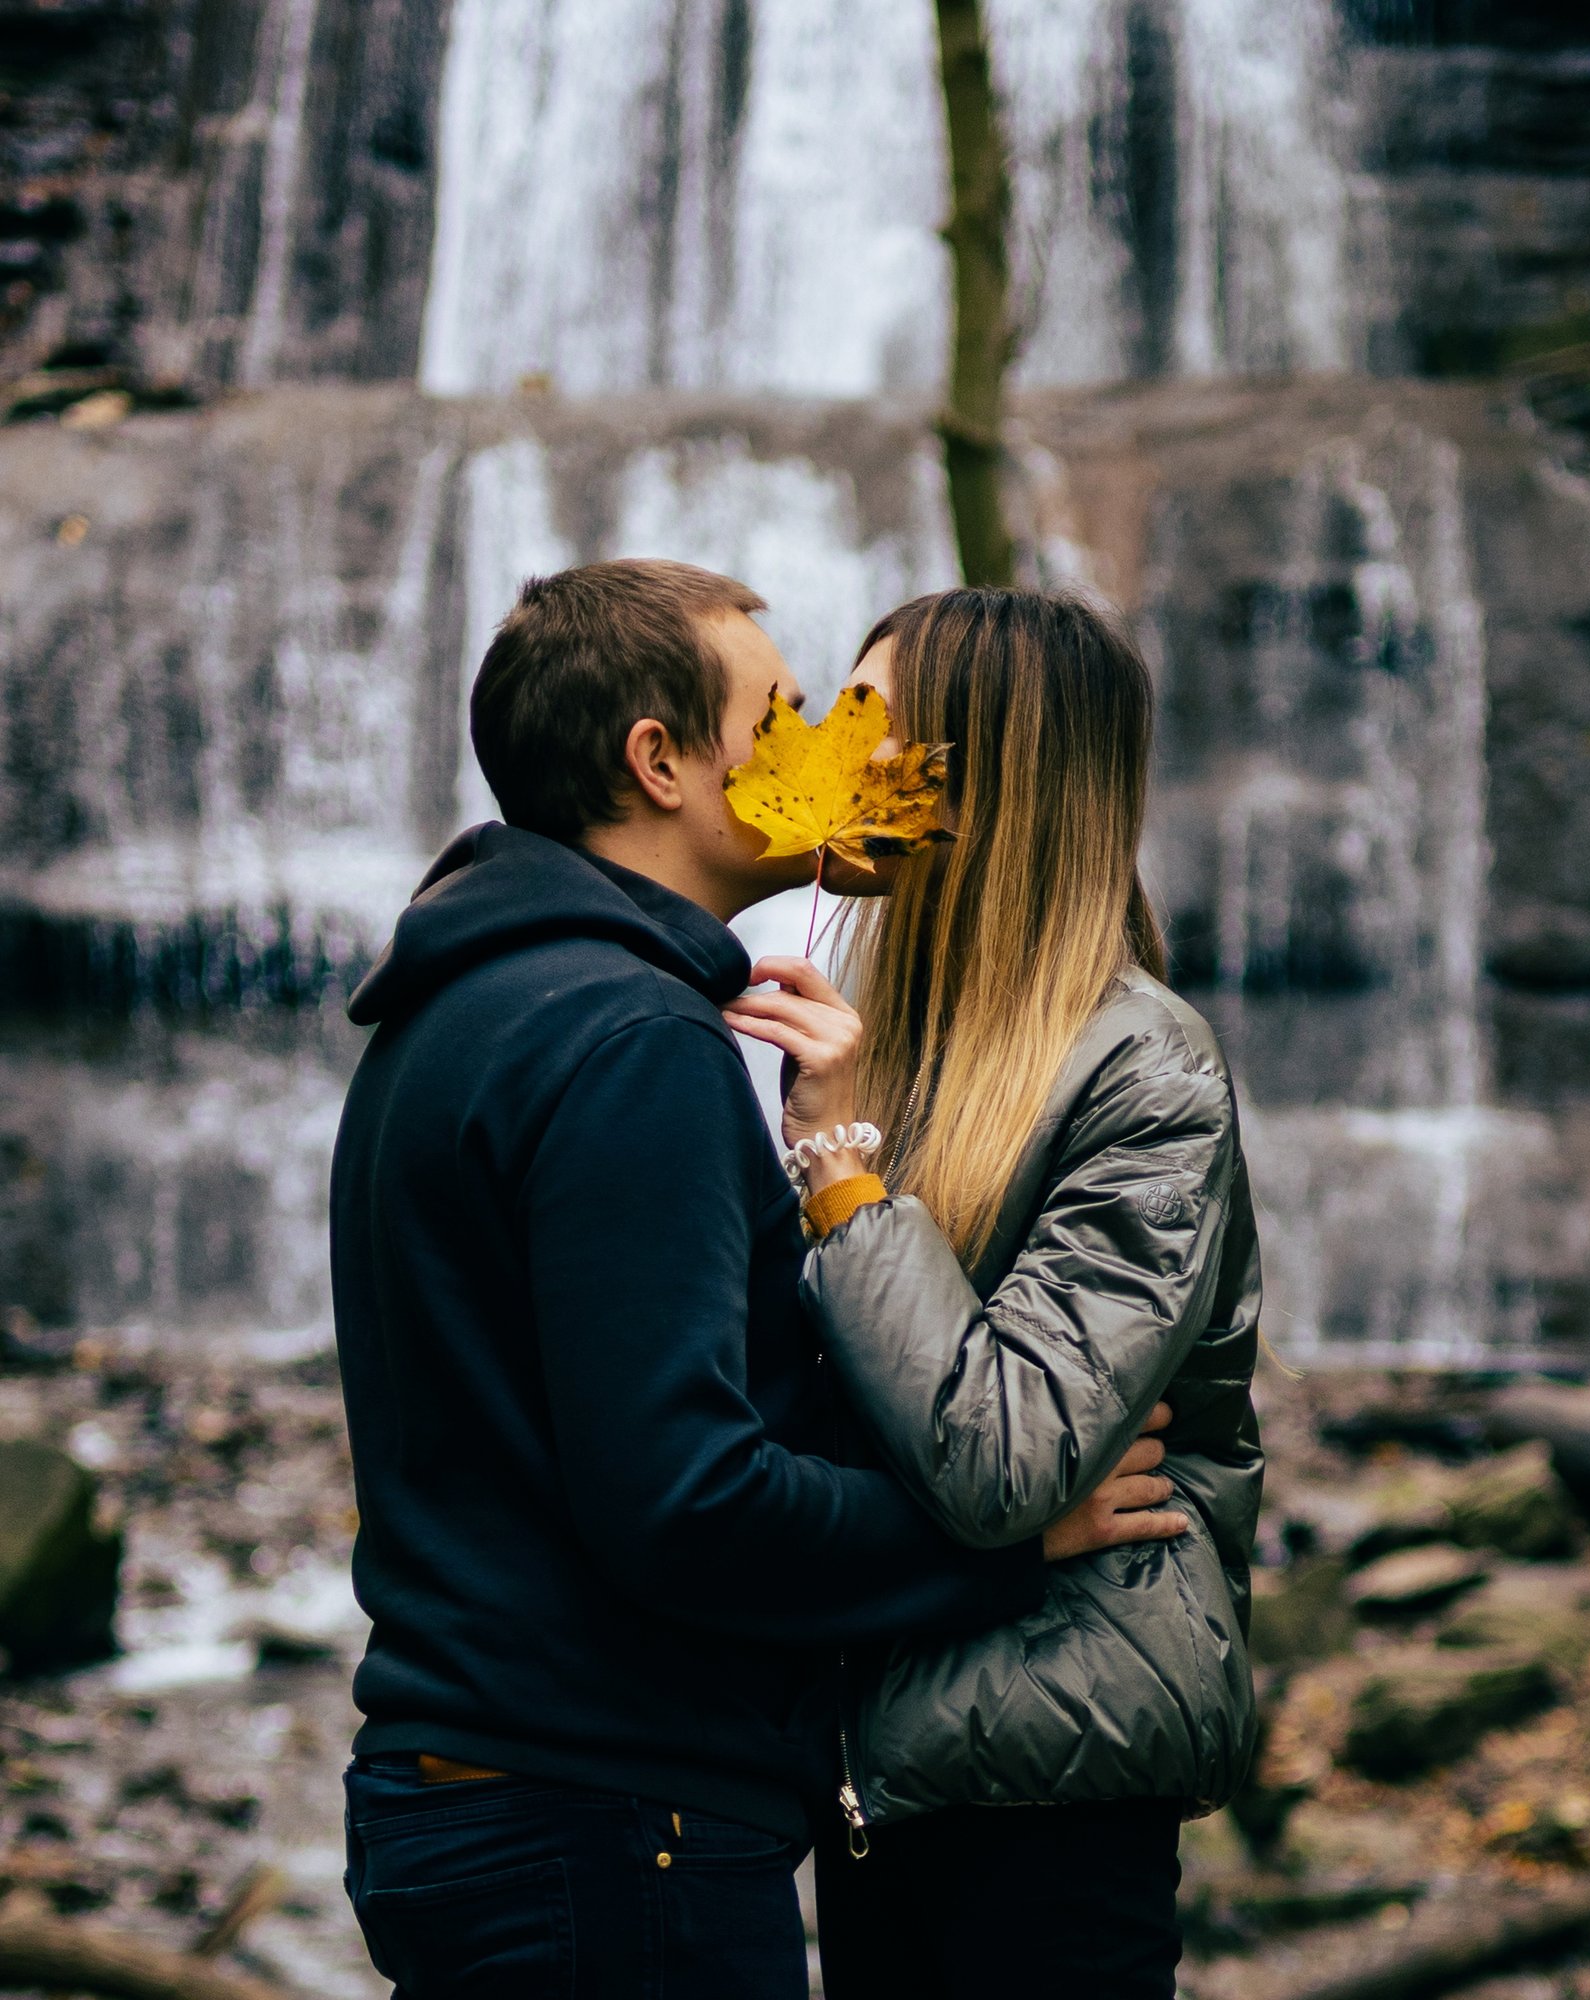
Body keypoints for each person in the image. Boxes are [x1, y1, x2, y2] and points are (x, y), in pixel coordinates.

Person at [330, 559, 1187, 1998]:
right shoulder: (632, 1039)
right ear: (658, 763)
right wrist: (1001, 1551)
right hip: (609, 1827)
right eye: (782, 711)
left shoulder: (462, 1004)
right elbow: (687, 1503)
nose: (830, 753)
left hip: (477, 1800)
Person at [723, 586, 1264, 2000]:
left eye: (872, 727)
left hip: (1053, 1780)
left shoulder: (1147, 1071)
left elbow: (1001, 1455)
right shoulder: (893, 1048)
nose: (829, 757)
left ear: (989, 784)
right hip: (884, 1764)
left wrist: (841, 1172)